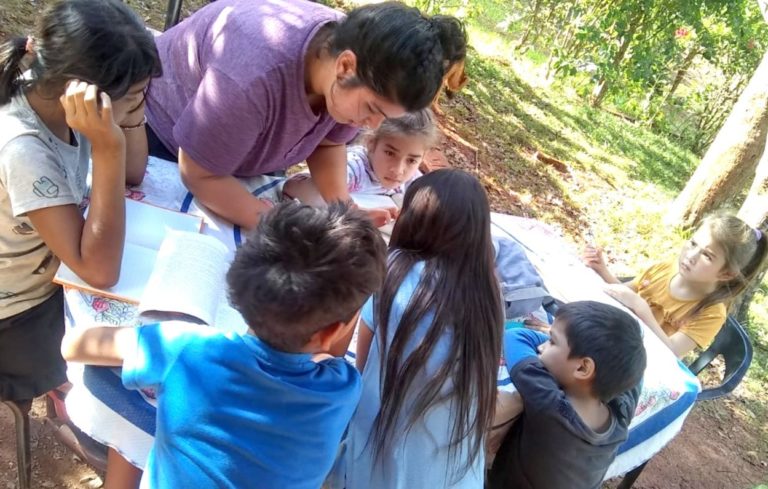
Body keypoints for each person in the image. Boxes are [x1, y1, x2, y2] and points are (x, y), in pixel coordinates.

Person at [62, 202, 387, 489]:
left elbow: (74, 345)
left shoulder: (187, 350)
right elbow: (330, 351)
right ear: (335, 329)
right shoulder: (341, 388)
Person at [143, 0, 466, 229]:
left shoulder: (346, 63)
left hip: (233, 165)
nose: (373, 126)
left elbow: (327, 142)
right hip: (163, 143)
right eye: (372, 109)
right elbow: (200, 173)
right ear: (345, 67)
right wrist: (277, 223)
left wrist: (344, 210)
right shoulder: (250, 75)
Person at [0, 0, 160, 426]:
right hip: (18, 311)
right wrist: (107, 147)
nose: (144, 103)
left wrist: (130, 115)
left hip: (53, 271)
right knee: (126, 387)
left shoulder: (57, 98)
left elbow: (133, 173)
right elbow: (100, 270)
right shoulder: (24, 149)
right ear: (84, 95)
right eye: (137, 94)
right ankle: (67, 403)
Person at [331, 169, 504, 488]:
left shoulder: (394, 270)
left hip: (383, 452)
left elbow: (363, 361)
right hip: (453, 465)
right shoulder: (487, 290)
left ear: (413, 219)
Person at [487, 301, 647, 489]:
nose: (542, 347)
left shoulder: (547, 401)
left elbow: (514, 337)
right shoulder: (622, 413)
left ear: (582, 367)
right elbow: (635, 375)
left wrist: (556, 335)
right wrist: (565, 342)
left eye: (552, 341)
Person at [584, 213, 768, 358]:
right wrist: (602, 270)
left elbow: (671, 351)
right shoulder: (664, 269)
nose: (691, 256)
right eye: (693, 243)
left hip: (637, 365)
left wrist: (640, 307)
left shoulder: (711, 312)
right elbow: (624, 294)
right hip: (613, 339)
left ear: (726, 274)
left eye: (707, 256)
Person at [284, 109, 439, 223]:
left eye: (411, 160)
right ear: (371, 143)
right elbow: (293, 186)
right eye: (390, 153)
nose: (398, 170)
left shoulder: (413, 179)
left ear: (422, 158)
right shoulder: (355, 167)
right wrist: (355, 214)